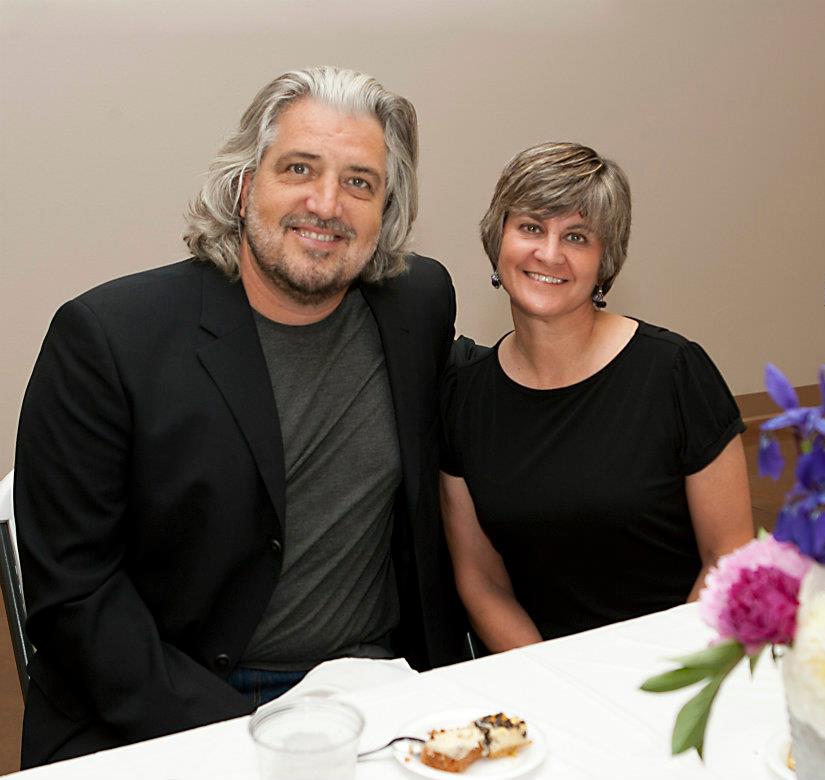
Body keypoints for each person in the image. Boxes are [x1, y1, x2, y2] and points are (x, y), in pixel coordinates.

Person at [14, 66, 464, 768]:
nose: (326, 203)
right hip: (178, 701)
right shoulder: (106, 339)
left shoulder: (419, 305)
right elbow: (74, 597)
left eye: (359, 182)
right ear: (246, 184)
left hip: (378, 695)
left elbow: (501, 407)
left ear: (387, 211)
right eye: (299, 168)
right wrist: (245, 735)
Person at [440, 142, 754, 652]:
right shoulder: (465, 398)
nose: (549, 253)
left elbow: (730, 553)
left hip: (677, 670)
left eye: (577, 237)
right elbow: (482, 582)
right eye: (531, 227)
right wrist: (550, 679)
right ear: (497, 237)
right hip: (543, 681)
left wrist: (660, 676)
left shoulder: (674, 371)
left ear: (604, 261)